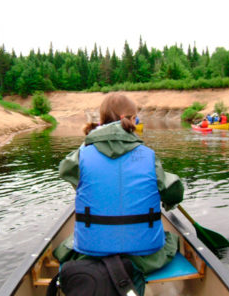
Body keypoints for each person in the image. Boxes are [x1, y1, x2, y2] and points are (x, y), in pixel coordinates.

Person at [57, 94, 184, 294]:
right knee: (172, 240)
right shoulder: (149, 156)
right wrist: (168, 200)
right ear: (130, 120)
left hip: (91, 252)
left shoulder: (80, 155)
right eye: (136, 118)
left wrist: (88, 145)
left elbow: (67, 171)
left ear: (100, 121)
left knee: (69, 244)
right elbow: (174, 194)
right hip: (145, 254)